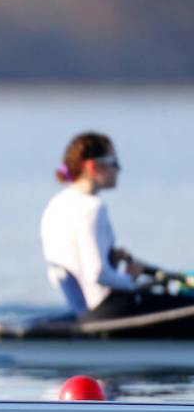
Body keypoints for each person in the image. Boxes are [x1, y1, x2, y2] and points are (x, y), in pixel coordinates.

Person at [40, 131, 187, 321]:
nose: (119, 170)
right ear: (93, 167)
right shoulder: (92, 207)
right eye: (114, 163)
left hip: (86, 309)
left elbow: (75, 265)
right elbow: (97, 274)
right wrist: (130, 278)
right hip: (109, 309)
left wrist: (112, 259)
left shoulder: (57, 204)